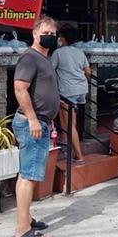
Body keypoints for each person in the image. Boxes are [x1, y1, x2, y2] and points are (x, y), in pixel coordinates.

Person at [11, 15, 60, 237]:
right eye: (46, 33)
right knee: (29, 176)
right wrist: (32, 119)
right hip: (32, 123)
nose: (50, 37)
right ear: (34, 33)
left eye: (53, 34)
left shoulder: (44, 58)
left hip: (41, 122)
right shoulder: (30, 57)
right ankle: (22, 231)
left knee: (27, 173)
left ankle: (27, 218)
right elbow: (20, 89)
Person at [51, 27, 90, 164]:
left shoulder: (58, 53)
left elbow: (50, 70)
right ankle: (68, 147)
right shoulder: (80, 52)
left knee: (68, 125)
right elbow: (88, 71)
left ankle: (79, 156)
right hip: (82, 89)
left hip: (67, 91)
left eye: (59, 36)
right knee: (71, 122)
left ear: (63, 38)